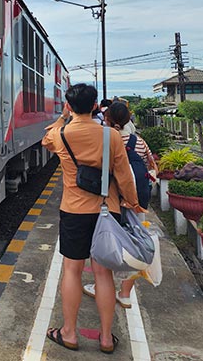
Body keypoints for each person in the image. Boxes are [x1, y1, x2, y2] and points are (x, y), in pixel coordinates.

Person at [41, 83, 142, 354]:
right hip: (107, 213)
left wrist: (64, 116)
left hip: (74, 210)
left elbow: (45, 139)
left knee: (72, 270)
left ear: (70, 105)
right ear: (96, 105)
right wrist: (133, 203)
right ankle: (107, 338)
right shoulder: (110, 136)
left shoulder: (61, 134)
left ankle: (69, 333)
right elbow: (123, 175)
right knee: (103, 274)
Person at [83, 101, 158, 307]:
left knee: (105, 242)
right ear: (128, 119)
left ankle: (101, 286)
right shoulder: (139, 142)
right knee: (135, 243)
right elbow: (152, 165)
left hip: (108, 199)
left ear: (106, 118)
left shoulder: (101, 139)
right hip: (135, 201)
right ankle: (124, 294)